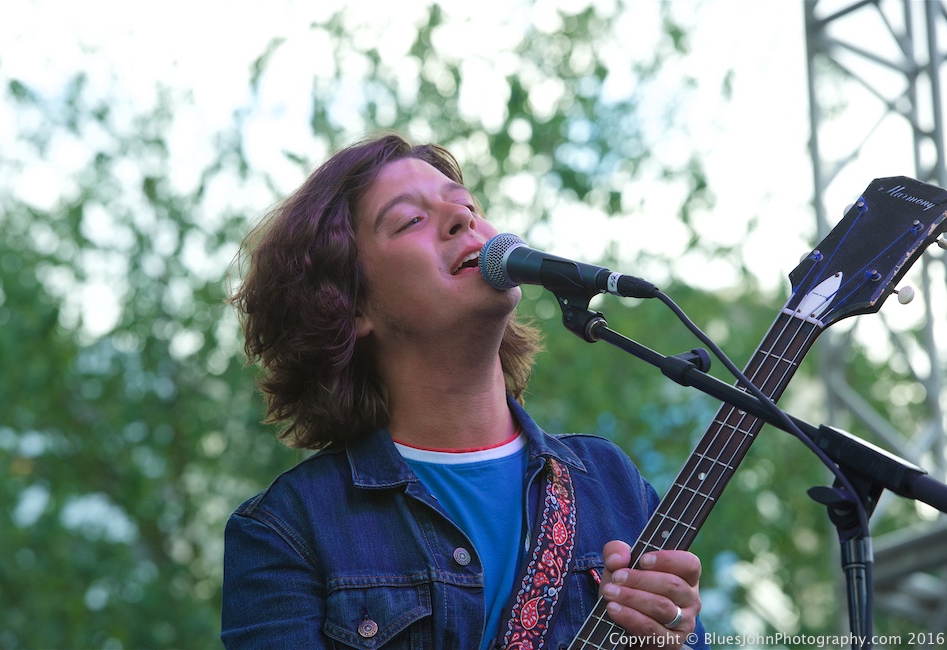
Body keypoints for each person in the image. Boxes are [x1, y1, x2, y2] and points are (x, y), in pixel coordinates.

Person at [221, 133, 708, 650]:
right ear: (351, 307)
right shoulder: (286, 531)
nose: (463, 220)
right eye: (410, 220)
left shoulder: (610, 481)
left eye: (466, 205)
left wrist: (673, 636)